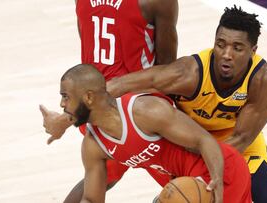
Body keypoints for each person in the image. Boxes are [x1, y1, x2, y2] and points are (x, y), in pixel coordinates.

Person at [107, 6, 267, 203]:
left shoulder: (262, 79)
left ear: (253, 51)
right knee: (107, 175)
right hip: (190, 145)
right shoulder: (189, 74)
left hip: (237, 145)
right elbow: (128, 83)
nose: (226, 54)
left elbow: (241, 139)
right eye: (220, 44)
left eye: (237, 48)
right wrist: (79, 105)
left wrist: (206, 159)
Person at [39, 0, 178, 202]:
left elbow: (88, 65)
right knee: (195, 182)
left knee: (100, 179)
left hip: (93, 110)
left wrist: (68, 117)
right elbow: (168, 71)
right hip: (140, 111)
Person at [59, 64, 252, 203]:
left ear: (89, 97)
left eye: (65, 97)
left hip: (219, 170)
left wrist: (217, 179)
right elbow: (92, 199)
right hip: (184, 182)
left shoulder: (145, 111)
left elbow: (204, 140)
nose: (62, 105)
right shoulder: (93, 145)